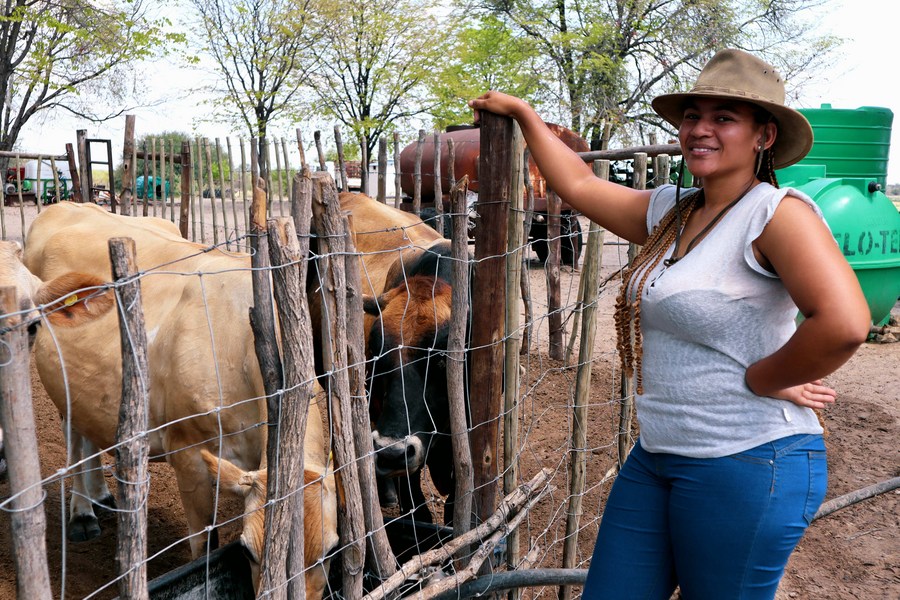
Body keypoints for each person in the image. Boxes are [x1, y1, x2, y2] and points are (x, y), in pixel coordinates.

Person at [469, 48, 871, 599]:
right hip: (656, 456)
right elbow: (582, 189)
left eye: (723, 118)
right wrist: (527, 116)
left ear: (764, 137)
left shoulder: (776, 215)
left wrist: (766, 378)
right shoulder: (673, 212)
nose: (700, 130)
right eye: (692, 116)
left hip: (748, 462)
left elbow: (846, 322)